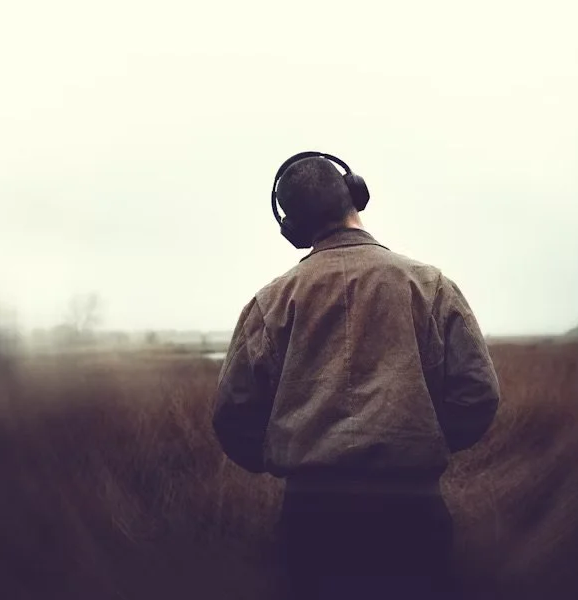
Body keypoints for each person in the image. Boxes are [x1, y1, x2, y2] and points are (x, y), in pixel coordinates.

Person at [212, 151, 501, 600]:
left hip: (311, 520)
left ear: (292, 228)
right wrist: (422, 441)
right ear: (356, 193)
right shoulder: (431, 285)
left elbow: (233, 415)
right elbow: (478, 394)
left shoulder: (270, 302)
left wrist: (285, 457)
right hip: (414, 513)